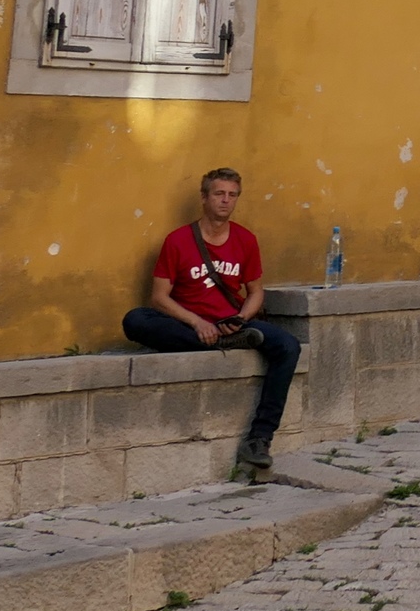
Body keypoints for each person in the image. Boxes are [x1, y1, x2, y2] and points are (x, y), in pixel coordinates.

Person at [122, 168, 300, 474]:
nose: (226, 201)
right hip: (188, 324)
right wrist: (197, 323)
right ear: (204, 198)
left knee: (288, 345)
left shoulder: (245, 240)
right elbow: (159, 298)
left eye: (232, 195)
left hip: (234, 325)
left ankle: (259, 439)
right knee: (135, 319)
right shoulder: (178, 240)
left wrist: (242, 318)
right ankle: (218, 341)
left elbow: (256, 292)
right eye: (219, 194)